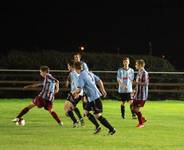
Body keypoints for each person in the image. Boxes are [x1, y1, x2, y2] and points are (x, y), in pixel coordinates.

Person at [72, 62, 116, 135]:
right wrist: (102, 90)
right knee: (85, 112)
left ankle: (111, 129)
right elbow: (99, 80)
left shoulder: (81, 76)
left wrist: (73, 93)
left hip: (93, 98)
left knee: (97, 115)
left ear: (75, 69)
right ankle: (98, 127)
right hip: (93, 97)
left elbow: (79, 89)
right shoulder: (89, 72)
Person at [64, 60, 85, 127]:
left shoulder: (76, 74)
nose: (67, 68)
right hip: (73, 92)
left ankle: (76, 122)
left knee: (68, 108)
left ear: (71, 66)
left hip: (77, 93)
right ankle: (79, 120)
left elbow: (80, 84)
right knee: (69, 108)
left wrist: (78, 93)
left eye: (68, 66)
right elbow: (71, 81)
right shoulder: (72, 73)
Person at [132, 59, 149, 128]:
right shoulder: (139, 72)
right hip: (137, 94)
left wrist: (136, 83)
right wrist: (135, 89)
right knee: (133, 108)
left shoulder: (144, 73)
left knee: (135, 109)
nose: (135, 65)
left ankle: (141, 124)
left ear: (140, 65)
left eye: (136, 64)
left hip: (142, 95)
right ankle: (142, 119)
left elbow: (145, 83)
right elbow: (138, 83)